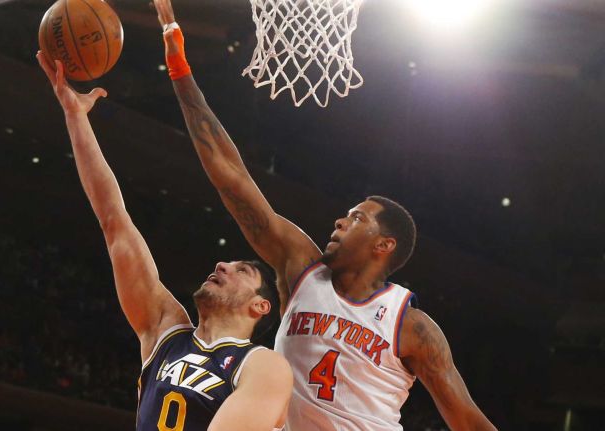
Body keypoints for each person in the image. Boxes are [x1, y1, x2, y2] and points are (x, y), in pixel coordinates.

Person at [151, 1, 498, 429]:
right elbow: (232, 179)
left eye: (357, 219)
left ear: (384, 245)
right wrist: (180, 70)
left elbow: (464, 417)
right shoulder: (301, 270)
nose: (340, 222)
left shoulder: (412, 326)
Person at [36, 51, 292, 431]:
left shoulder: (261, 365)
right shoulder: (165, 331)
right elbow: (114, 222)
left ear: (260, 306)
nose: (222, 265)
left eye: (242, 271)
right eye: (229, 263)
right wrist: (75, 117)